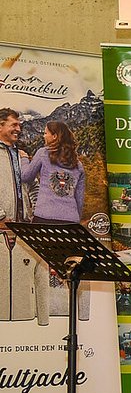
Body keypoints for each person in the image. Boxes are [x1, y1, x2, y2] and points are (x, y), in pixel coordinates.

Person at [0, 107, 49, 324]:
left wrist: (37, 215)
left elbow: (34, 186)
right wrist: (1, 216)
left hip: (24, 230)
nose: (19, 129)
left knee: (28, 279)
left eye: (20, 125)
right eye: (14, 124)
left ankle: (27, 322)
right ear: (0, 125)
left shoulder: (22, 156)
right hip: (2, 228)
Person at [22, 121, 86, 222]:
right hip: (70, 220)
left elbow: (26, 177)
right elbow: (79, 199)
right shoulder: (78, 165)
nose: (44, 136)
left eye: (45, 133)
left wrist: (24, 159)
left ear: (54, 136)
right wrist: (76, 219)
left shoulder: (43, 153)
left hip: (44, 216)